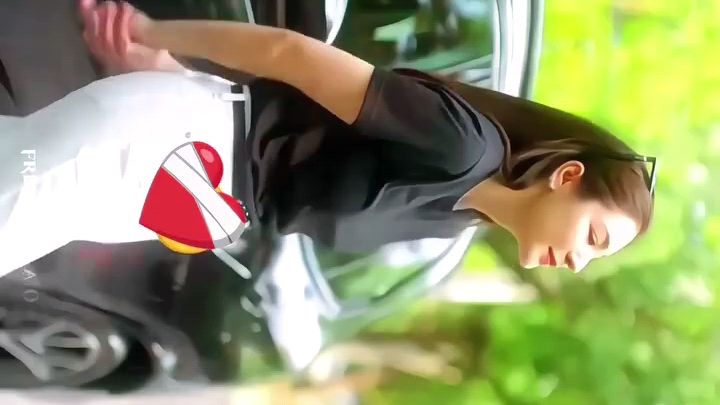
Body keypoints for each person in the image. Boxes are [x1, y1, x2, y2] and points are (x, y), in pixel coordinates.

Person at [0, 0, 654, 278]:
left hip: (174, 191)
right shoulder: (461, 147)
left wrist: (164, 72)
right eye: (594, 237)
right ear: (567, 177)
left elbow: (289, 157)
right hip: (168, 142)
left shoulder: (453, 222)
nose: (579, 262)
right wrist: (151, 35)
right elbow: (289, 55)